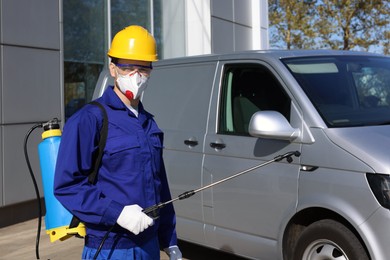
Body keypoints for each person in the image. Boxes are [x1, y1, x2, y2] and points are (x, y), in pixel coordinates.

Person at [54, 25, 182, 260]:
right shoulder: (89, 119)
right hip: (110, 247)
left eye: (143, 67)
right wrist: (118, 213)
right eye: (127, 67)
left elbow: (159, 185)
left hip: (149, 245)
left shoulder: (147, 123)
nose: (136, 74)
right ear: (113, 68)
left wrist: (169, 239)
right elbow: (67, 186)